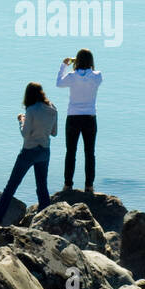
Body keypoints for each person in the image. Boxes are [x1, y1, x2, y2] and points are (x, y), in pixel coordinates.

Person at [0, 82, 58, 229]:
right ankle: (47, 222)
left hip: (29, 151)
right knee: (42, 188)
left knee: (11, 187)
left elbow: (25, 134)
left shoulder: (30, 110)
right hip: (44, 151)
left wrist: (21, 120)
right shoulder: (53, 109)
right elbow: (54, 133)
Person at [56, 49, 102, 193]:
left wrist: (64, 65)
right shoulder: (97, 76)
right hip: (90, 117)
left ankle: (68, 185)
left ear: (77, 61)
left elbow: (58, 83)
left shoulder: (71, 76)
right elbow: (89, 74)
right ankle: (89, 185)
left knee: (71, 152)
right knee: (90, 153)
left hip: (73, 117)